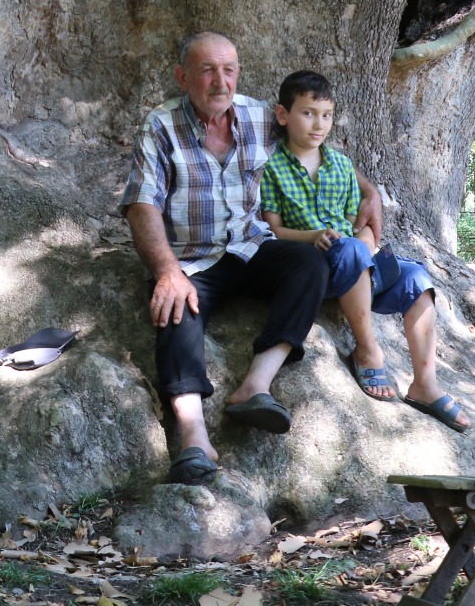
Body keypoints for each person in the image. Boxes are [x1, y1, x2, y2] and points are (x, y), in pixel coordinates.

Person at [120, 32, 381, 485]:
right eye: (207, 70)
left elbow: (311, 141)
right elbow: (142, 204)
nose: (220, 81)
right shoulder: (160, 126)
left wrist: (368, 187)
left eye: (229, 69)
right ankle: (194, 438)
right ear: (183, 77)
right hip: (193, 258)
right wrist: (166, 272)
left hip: (252, 245)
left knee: (310, 265)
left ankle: (254, 387)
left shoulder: (260, 115)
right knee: (176, 309)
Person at [259, 69, 470, 432]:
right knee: (352, 253)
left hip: (356, 263)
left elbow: (362, 227)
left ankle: (425, 383)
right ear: (283, 115)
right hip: (317, 267)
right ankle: (367, 349)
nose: (318, 124)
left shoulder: (341, 165)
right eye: (308, 113)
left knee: (417, 277)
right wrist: (311, 237)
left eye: (326, 115)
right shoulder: (271, 167)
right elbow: (273, 229)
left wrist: (368, 249)